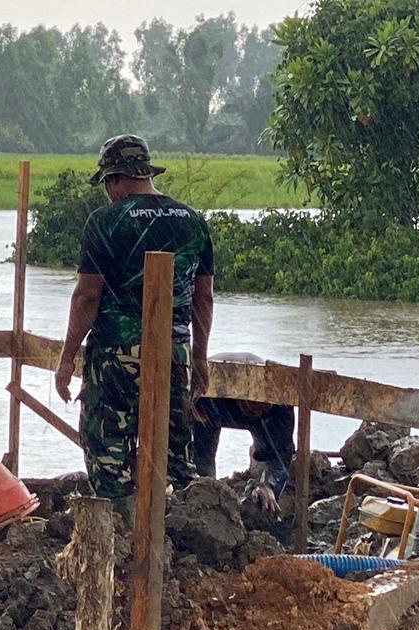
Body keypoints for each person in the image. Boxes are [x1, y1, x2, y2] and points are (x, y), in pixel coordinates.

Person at [54, 134, 215, 516]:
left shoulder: (105, 222)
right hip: (174, 353)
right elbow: (203, 298)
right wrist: (199, 359)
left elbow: (87, 296)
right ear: (146, 172)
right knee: (177, 453)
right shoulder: (193, 222)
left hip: (115, 356)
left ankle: (123, 538)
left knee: (108, 452)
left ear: (114, 179)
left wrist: (66, 361)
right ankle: (185, 539)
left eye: (108, 185)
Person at [192, 352, 296, 512]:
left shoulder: (279, 406)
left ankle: (257, 459)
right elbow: (199, 447)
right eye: (252, 404)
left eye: (262, 404)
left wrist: (269, 485)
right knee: (203, 466)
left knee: (269, 452)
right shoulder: (211, 395)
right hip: (218, 402)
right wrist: (206, 484)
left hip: (265, 418)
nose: (257, 408)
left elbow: (282, 457)